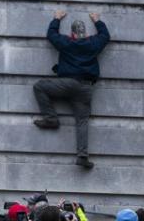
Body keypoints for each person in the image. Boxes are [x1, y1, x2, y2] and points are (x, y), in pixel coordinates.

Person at [33, 11, 110, 169]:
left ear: (72, 34)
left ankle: (51, 118)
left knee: (39, 86)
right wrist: (97, 21)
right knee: (82, 122)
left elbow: (51, 35)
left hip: (67, 84)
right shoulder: (92, 43)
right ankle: (82, 156)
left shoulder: (67, 42)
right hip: (85, 88)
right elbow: (105, 36)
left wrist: (56, 18)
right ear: (85, 33)